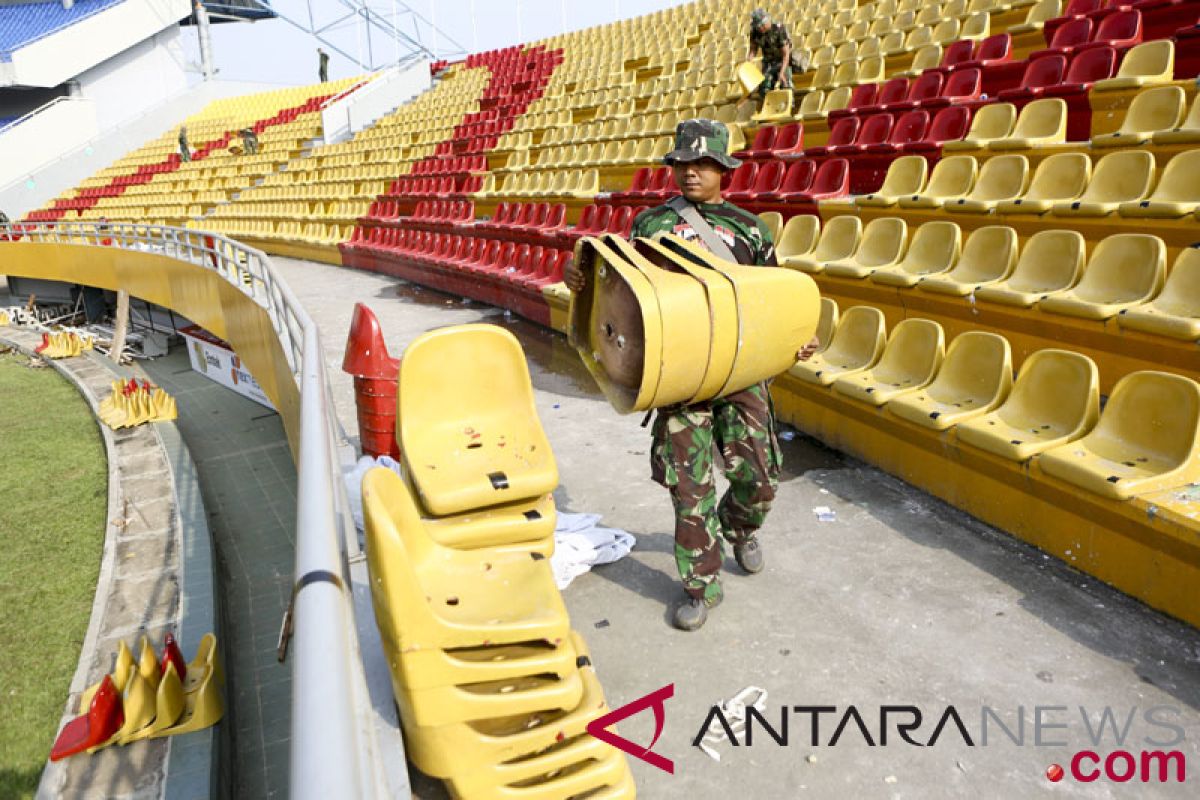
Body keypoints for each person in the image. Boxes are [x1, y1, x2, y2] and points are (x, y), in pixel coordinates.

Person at [564, 119, 818, 631]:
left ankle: (740, 528)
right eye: (683, 164)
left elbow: (771, 298)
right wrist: (580, 281)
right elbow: (626, 299)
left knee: (761, 478)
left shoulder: (750, 229)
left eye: (702, 165)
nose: (691, 174)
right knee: (690, 486)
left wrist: (797, 338)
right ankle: (699, 583)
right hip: (681, 376)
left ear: (723, 169)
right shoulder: (650, 227)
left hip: (741, 369)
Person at [747, 8, 792, 101]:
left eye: (762, 25)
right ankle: (768, 107)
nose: (760, 28)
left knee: (785, 84)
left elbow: (785, 55)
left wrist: (782, 72)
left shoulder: (779, 29)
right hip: (768, 61)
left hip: (782, 60)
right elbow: (753, 49)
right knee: (764, 88)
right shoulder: (755, 32)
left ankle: (788, 106)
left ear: (768, 20)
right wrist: (750, 59)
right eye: (758, 26)